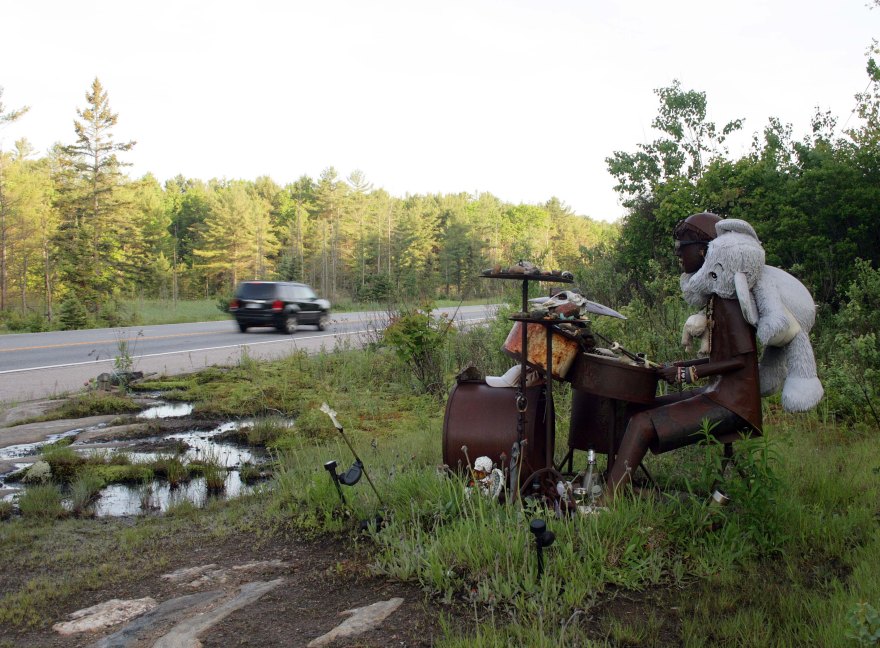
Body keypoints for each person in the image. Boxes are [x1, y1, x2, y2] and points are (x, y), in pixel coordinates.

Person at [602, 212, 762, 503]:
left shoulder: (729, 300)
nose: (679, 255)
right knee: (634, 413)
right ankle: (620, 482)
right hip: (719, 393)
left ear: (705, 251)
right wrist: (681, 366)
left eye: (682, 248)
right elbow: (718, 357)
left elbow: (743, 361)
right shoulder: (717, 297)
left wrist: (688, 374)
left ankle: (609, 499)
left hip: (734, 404)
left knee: (642, 423)